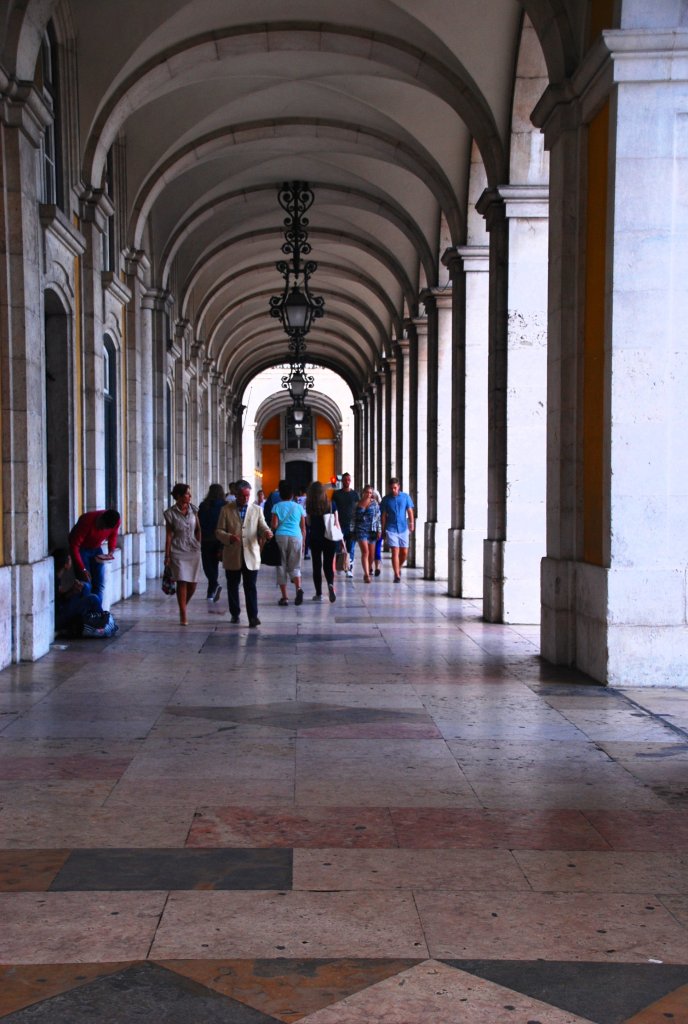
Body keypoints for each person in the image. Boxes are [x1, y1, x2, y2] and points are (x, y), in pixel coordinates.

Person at [216, 479, 271, 627]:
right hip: (232, 554)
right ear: (236, 494)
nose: (245, 499)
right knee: (233, 586)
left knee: (250, 586)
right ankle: (235, 613)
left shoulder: (256, 510)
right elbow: (219, 531)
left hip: (250, 555)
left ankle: (253, 616)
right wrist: (229, 537)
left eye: (248, 496)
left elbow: (262, 525)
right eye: (242, 496)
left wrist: (266, 532)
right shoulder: (226, 510)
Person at [163, 483, 202, 625]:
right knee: (182, 581)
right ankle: (183, 613)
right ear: (179, 496)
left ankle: (183, 605)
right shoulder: (170, 513)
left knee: (193, 584)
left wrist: (198, 543)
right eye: (187, 494)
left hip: (193, 549)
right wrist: (167, 555)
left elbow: (198, 529)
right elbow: (168, 535)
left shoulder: (194, 510)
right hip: (177, 549)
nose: (190, 496)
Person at [68, 508, 120, 602]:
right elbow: (74, 546)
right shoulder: (86, 520)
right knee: (85, 582)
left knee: (99, 584)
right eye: (101, 526)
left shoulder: (116, 521)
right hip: (82, 549)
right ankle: (86, 611)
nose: (101, 529)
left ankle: (97, 612)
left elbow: (113, 535)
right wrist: (82, 568)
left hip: (96, 549)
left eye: (105, 528)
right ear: (100, 518)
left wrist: (111, 550)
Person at [271, 479, 306, 606]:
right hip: (296, 537)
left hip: (281, 537)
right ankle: (298, 589)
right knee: (295, 566)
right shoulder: (299, 507)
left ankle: (285, 597)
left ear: (280, 494)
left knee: (281, 566)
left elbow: (274, 525)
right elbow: (303, 527)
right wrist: (303, 543)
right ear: (292, 495)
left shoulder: (276, 506)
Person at [53, 548, 103, 636]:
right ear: (66, 563)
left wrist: (72, 591)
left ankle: (89, 622)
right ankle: (102, 624)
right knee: (93, 598)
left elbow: (60, 598)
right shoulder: (55, 580)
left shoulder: (57, 577)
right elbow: (59, 605)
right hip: (57, 620)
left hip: (60, 613)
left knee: (85, 588)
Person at [306, 480, 338, 603]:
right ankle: (330, 585)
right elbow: (336, 522)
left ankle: (319, 594)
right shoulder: (331, 504)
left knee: (317, 566)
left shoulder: (309, 506)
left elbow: (308, 523)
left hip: (315, 539)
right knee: (328, 565)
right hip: (329, 538)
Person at [380, 477, 415, 583]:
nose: (393, 490)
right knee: (395, 551)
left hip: (403, 528)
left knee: (404, 552)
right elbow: (383, 516)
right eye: (391, 488)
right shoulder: (386, 499)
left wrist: (412, 523)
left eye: (395, 488)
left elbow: (409, 511)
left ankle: (398, 567)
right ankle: (396, 575)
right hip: (391, 528)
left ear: (398, 487)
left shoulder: (405, 497)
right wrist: (383, 528)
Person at [197, 483, 226, 607]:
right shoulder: (225, 506)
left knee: (208, 565)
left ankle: (213, 585)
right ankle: (211, 590)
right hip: (220, 539)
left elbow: (199, 524)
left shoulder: (203, 506)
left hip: (206, 539)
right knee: (214, 564)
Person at [330, 472, 359, 578]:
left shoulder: (355, 494)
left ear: (350, 481)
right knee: (338, 547)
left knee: (351, 548)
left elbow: (357, 509)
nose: (347, 481)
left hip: (352, 526)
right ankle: (339, 565)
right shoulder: (336, 494)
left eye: (348, 480)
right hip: (339, 525)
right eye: (345, 480)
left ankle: (349, 569)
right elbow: (333, 508)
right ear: (342, 481)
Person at [353, 484, 381, 583]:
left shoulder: (375, 504)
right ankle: (366, 574)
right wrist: (353, 531)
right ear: (363, 493)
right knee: (365, 552)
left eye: (370, 493)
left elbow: (378, 518)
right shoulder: (357, 504)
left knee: (372, 555)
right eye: (367, 492)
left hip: (372, 530)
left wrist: (379, 530)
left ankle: (368, 569)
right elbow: (354, 519)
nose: (369, 494)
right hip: (361, 530)